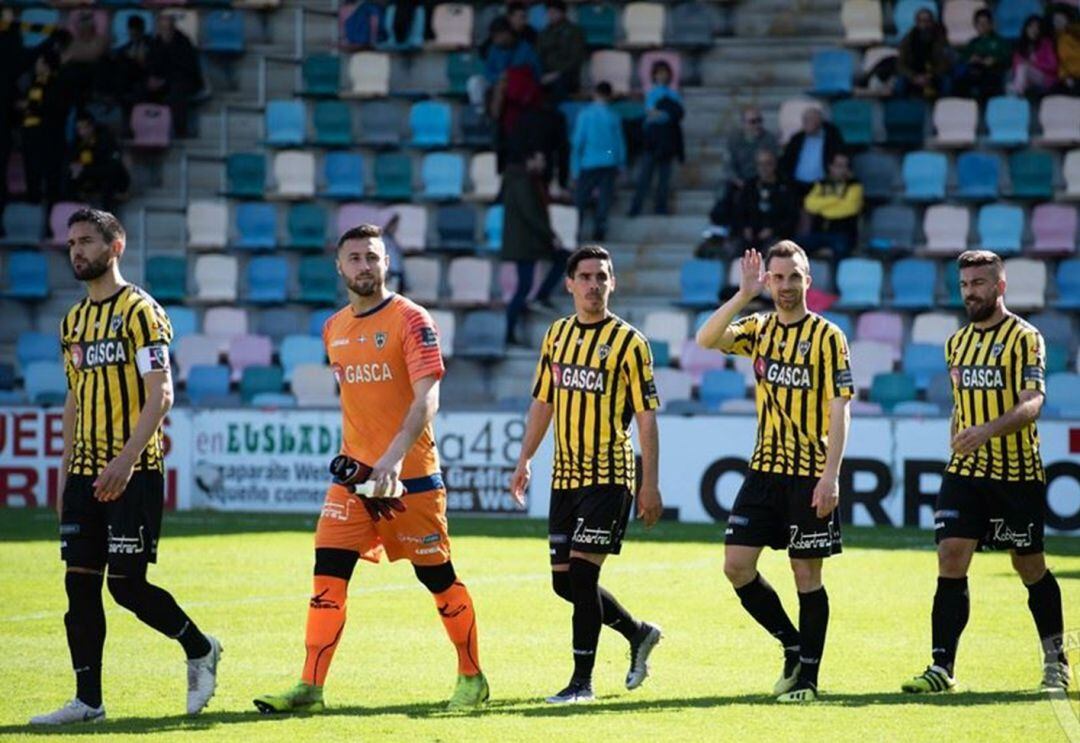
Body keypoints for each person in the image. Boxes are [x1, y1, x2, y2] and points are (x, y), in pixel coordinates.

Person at [253, 224, 489, 714]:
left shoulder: (412, 319)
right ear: (339, 267)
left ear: (387, 263)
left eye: (373, 257)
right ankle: (310, 688)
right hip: (353, 482)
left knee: (438, 580)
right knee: (326, 576)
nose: (365, 265)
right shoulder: (333, 326)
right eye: (355, 258)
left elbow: (429, 396)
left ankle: (472, 677)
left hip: (411, 479)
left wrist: (395, 455)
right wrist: (364, 460)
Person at [30, 208, 221, 725]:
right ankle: (88, 701)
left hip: (133, 470)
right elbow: (75, 398)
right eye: (71, 243)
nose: (76, 251)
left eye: (87, 241)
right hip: (84, 474)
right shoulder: (73, 322)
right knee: (79, 584)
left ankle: (200, 647)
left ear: (115, 247)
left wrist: (126, 459)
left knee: (126, 587)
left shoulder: (141, 311)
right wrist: (66, 473)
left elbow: (161, 394)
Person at [902, 250, 1070, 695]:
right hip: (966, 471)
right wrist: (960, 436)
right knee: (951, 555)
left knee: (1029, 564)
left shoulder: (1026, 337)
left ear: (1000, 285)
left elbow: (1033, 401)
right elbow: (962, 406)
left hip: (1017, 474)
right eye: (964, 285)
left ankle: (1057, 662)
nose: (970, 292)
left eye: (978, 283)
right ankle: (942, 667)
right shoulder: (956, 343)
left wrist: (986, 431)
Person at [695, 240, 854, 703]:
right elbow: (706, 339)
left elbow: (840, 408)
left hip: (809, 474)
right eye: (777, 277)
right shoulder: (760, 329)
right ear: (768, 280)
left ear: (809, 279)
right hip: (763, 471)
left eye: (794, 277)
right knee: (736, 565)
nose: (786, 286)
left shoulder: (828, 337)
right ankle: (792, 644)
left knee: (807, 575)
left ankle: (808, 679)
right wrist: (743, 295)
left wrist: (831, 475)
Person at [511, 244, 664, 704]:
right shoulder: (556, 335)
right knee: (565, 582)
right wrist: (524, 460)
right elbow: (543, 402)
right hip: (565, 476)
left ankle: (582, 683)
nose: (595, 284)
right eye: (587, 276)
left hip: (609, 476)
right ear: (570, 283)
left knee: (581, 576)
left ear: (612, 283)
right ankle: (638, 633)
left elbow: (647, 418)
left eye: (603, 276)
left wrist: (649, 483)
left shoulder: (630, 343)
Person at [501, 150, 566, 346]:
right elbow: (532, 215)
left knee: (526, 284)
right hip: (526, 243)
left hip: (527, 242)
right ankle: (510, 331)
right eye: (540, 159)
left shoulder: (523, 181)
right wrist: (551, 236)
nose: (543, 163)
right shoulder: (523, 183)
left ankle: (539, 298)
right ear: (529, 160)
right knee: (524, 287)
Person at [702, 106, 779, 246]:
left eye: (759, 121)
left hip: (760, 180)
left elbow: (771, 163)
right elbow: (728, 164)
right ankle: (716, 233)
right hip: (739, 179)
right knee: (723, 196)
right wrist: (738, 181)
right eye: (752, 121)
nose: (757, 125)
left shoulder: (769, 139)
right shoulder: (734, 139)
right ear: (744, 123)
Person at [628, 60, 684, 217]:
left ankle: (661, 207)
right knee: (645, 176)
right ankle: (636, 207)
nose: (662, 75)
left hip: (667, 140)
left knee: (664, 179)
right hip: (652, 140)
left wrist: (661, 115)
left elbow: (674, 115)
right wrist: (662, 115)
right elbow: (650, 113)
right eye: (659, 72)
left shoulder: (673, 94)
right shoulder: (651, 93)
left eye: (664, 72)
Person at [571, 82, 626, 241]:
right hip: (608, 162)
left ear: (595, 93)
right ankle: (599, 230)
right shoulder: (613, 115)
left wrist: (574, 168)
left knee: (580, 199)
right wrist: (620, 162)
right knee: (604, 199)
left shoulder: (585, 114)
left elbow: (578, 142)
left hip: (588, 161)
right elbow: (618, 143)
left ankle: (575, 230)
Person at [18, 50, 68, 206]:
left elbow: (55, 109)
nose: (36, 65)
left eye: (39, 62)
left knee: (50, 172)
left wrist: (31, 107)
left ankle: (52, 205)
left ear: (47, 66)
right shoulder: (33, 83)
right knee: (31, 169)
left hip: (49, 135)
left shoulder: (58, 84)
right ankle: (33, 199)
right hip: (30, 133)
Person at [147, 14, 203, 138]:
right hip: (162, 81)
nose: (165, 30)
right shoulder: (156, 42)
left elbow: (186, 69)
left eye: (167, 26)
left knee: (177, 91)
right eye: (162, 26)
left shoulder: (183, 42)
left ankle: (180, 132)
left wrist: (165, 81)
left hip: (184, 80)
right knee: (139, 90)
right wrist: (152, 78)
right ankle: (142, 130)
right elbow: (152, 64)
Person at [799, 151, 863, 260]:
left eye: (845, 166)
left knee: (840, 249)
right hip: (818, 233)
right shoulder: (821, 184)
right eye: (838, 166)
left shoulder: (855, 186)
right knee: (796, 248)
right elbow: (809, 204)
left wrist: (822, 207)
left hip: (842, 234)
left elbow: (850, 208)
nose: (842, 170)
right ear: (831, 167)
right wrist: (836, 200)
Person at [734, 149, 799, 252]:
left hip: (776, 235)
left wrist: (773, 230)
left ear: (775, 165)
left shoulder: (786, 187)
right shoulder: (750, 185)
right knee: (733, 249)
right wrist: (745, 227)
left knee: (772, 252)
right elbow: (740, 211)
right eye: (760, 164)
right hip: (750, 234)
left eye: (767, 164)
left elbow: (791, 217)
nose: (763, 168)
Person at [68, 110, 130, 212]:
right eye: (79, 128)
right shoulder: (77, 143)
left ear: (92, 126)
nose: (82, 132)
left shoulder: (105, 139)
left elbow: (111, 165)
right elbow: (73, 162)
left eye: (85, 127)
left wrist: (85, 170)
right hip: (91, 175)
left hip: (113, 177)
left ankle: (107, 217)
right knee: (69, 176)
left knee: (109, 178)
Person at [779, 107, 843, 198]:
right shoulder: (797, 138)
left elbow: (841, 158)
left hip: (822, 185)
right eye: (804, 119)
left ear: (820, 121)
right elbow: (786, 161)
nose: (805, 122)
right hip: (797, 185)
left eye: (810, 119)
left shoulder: (832, 137)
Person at [952, 9, 1010, 99]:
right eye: (979, 23)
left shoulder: (1000, 42)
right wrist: (971, 59)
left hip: (993, 73)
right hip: (974, 72)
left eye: (985, 23)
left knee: (989, 80)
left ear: (991, 24)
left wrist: (995, 60)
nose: (982, 26)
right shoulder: (973, 42)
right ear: (975, 25)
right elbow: (963, 58)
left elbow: (1007, 58)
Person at [537, 0, 586, 102]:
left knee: (558, 86)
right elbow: (538, 55)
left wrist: (557, 73)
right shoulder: (544, 33)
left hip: (567, 75)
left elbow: (576, 59)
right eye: (549, 12)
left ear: (563, 13)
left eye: (554, 12)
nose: (551, 15)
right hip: (546, 73)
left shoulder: (575, 32)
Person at [896, 8, 950, 98]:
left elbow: (945, 63)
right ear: (916, 22)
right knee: (899, 85)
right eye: (921, 21)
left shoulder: (941, 39)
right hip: (913, 75)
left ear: (932, 22)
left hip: (933, 74)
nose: (924, 24)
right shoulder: (908, 40)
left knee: (947, 83)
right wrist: (913, 77)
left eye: (927, 21)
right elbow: (900, 64)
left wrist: (930, 76)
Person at [1010, 15, 1059, 95]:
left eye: (1037, 27)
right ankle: (1017, 91)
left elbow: (1053, 66)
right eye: (1031, 27)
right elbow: (1016, 68)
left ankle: (1017, 91)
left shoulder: (1046, 43)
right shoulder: (1021, 46)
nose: (1034, 30)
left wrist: (1034, 64)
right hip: (1025, 79)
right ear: (1026, 29)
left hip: (1045, 78)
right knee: (1020, 70)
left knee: (1024, 68)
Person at [1051, 5, 1080, 92]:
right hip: (1072, 78)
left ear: (1067, 19)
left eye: (1060, 19)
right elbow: (1061, 63)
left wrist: (1070, 27)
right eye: (1055, 20)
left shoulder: (1075, 32)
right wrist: (1065, 77)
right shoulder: (1057, 40)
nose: (1057, 22)